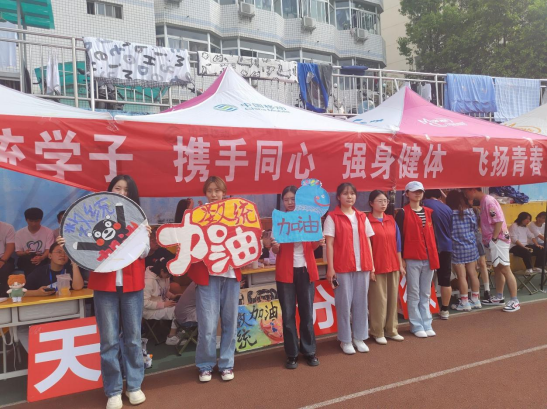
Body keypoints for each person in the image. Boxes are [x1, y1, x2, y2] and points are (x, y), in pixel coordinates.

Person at [59, 174, 150, 409]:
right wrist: (67, 242)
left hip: (132, 285)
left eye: (126, 190)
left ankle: (134, 385)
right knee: (108, 340)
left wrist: (143, 236)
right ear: (109, 190)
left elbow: (144, 253)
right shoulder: (95, 216)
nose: (122, 193)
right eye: (117, 188)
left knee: (132, 338)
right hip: (104, 285)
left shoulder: (138, 218)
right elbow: (79, 241)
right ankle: (113, 390)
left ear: (132, 195)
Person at [187, 176, 242, 383]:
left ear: (224, 192)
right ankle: (205, 365)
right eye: (210, 190)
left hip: (230, 275)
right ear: (205, 193)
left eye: (217, 190)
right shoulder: (197, 215)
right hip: (207, 276)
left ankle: (227, 364)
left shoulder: (236, 214)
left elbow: (245, 238)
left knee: (230, 323)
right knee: (208, 326)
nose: (213, 194)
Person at [271, 185, 322, 369]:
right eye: (286, 200)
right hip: (286, 272)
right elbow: (275, 249)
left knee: (307, 313)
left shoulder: (309, 218)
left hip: (306, 270)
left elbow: (313, 246)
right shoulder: (279, 220)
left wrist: (319, 241)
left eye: (293, 199)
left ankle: (309, 351)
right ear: (283, 202)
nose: (290, 202)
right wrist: (275, 246)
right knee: (288, 315)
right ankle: (291, 353)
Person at [324, 182, 374, 355]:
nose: (349, 197)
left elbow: (368, 241)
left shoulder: (362, 216)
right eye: (345, 194)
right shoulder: (332, 217)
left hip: (363, 266)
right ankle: (345, 339)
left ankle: (359, 337)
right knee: (344, 305)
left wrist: (372, 265)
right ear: (338, 197)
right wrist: (331, 268)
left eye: (352, 193)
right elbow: (329, 244)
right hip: (342, 267)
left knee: (361, 304)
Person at [17, 242, 84, 351]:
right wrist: (37, 293)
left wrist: (75, 264)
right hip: (43, 313)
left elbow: (78, 287)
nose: (62, 255)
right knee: (22, 330)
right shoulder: (40, 271)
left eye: (66, 253)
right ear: (49, 255)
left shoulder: (70, 270)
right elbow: (19, 292)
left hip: (66, 311)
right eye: (59, 252)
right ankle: (38, 355)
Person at [463, 188, 520, 312]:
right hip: (492, 240)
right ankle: (499, 296)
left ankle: (515, 300)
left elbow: (498, 220)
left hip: (498, 240)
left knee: (505, 268)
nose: (465, 194)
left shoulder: (488, 201)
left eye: (466, 191)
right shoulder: (484, 201)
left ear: (473, 190)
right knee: (497, 268)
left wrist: (494, 238)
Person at [395, 181, 439, 338]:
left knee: (425, 293)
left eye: (420, 191)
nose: (418, 193)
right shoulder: (402, 213)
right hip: (412, 257)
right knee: (413, 292)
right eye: (414, 191)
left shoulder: (429, 212)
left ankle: (427, 323)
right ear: (407, 193)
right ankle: (416, 325)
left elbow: (433, 235)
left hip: (429, 257)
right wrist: (401, 259)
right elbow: (399, 238)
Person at [367, 190, 405, 345]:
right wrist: (371, 268)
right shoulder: (367, 222)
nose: (383, 204)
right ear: (371, 203)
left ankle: (392, 329)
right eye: (379, 201)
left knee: (392, 299)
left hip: (393, 265)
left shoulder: (391, 220)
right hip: (377, 266)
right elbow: (366, 247)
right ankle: (377, 331)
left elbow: (398, 244)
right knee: (378, 300)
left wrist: (400, 264)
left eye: (385, 201)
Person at [445, 190, 481, 312]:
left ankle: (464, 302)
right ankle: (475, 300)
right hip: (471, 246)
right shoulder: (471, 212)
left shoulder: (450, 214)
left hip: (457, 248)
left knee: (461, 276)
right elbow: (475, 229)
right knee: (473, 274)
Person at [423, 189, 453, 320]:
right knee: (445, 280)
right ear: (439, 195)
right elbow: (450, 229)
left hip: (429, 247)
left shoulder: (423, 205)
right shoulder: (447, 208)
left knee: (426, 279)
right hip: (446, 246)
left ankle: (426, 310)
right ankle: (445, 309)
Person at [143, 255, 181, 346]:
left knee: (182, 305)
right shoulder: (148, 281)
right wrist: (164, 304)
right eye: (168, 274)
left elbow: (164, 292)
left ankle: (178, 332)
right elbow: (144, 303)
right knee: (178, 310)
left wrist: (173, 296)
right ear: (162, 270)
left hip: (162, 303)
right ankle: (171, 337)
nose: (169, 276)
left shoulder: (164, 277)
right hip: (149, 311)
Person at [15, 208, 54, 275]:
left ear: (41, 220)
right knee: (29, 261)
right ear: (26, 219)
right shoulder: (19, 233)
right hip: (26, 257)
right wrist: (25, 253)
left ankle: (31, 280)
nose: (33, 224)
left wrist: (41, 258)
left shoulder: (48, 232)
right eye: (31, 221)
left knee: (41, 263)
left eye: (36, 221)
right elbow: (18, 252)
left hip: (43, 257)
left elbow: (49, 249)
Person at [0, 220, 15, 298]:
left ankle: (3, 296)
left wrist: (2, 261)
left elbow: (10, 246)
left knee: (4, 270)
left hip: (4, 259)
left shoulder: (8, 228)